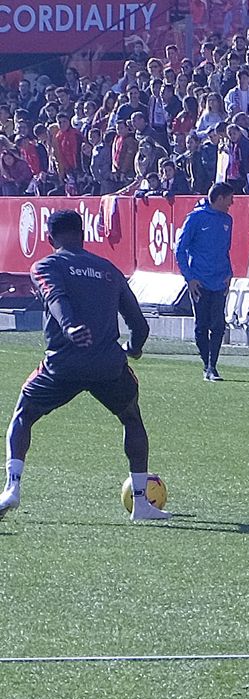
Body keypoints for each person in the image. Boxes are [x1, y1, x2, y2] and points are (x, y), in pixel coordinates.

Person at [0, 211, 167, 522]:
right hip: (108, 364)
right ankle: (142, 503)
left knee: (23, 413)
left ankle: (12, 488)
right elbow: (139, 324)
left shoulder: (46, 265)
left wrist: (70, 327)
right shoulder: (108, 269)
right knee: (131, 417)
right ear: (84, 235)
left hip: (63, 363)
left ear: (49, 239)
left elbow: (55, 297)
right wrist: (135, 348)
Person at [174, 182, 234, 381]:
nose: (232, 203)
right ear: (219, 198)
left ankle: (212, 366)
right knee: (201, 325)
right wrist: (189, 278)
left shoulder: (227, 220)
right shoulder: (196, 218)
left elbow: (225, 250)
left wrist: (229, 273)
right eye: (229, 198)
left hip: (219, 281)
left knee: (218, 325)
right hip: (199, 281)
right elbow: (180, 249)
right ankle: (206, 364)